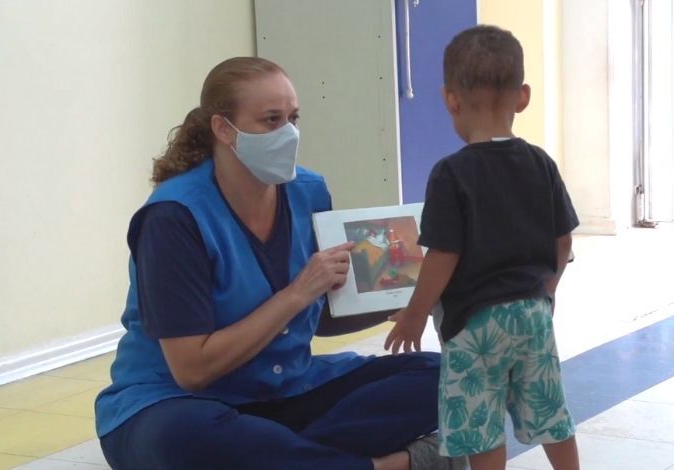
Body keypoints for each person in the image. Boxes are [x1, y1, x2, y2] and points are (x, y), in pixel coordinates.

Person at [95, 57, 466, 470]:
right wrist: (296, 293)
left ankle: (281, 457)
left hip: (288, 391)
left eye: (293, 118)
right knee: (183, 438)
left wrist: (409, 294)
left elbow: (321, 319)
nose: (288, 133)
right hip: (179, 404)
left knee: (448, 376)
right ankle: (392, 465)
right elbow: (192, 371)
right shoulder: (173, 218)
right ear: (223, 128)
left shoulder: (308, 191)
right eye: (270, 120)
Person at [385, 26, 581, 470]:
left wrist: (416, 312)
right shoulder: (540, 162)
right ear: (523, 96)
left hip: (474, 324)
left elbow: (443, 254)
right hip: (533, 315)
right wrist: (547, 290)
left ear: (450, 98)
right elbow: (564, 238)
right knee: (549, 411)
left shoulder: (451, 173)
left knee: (479, 421)